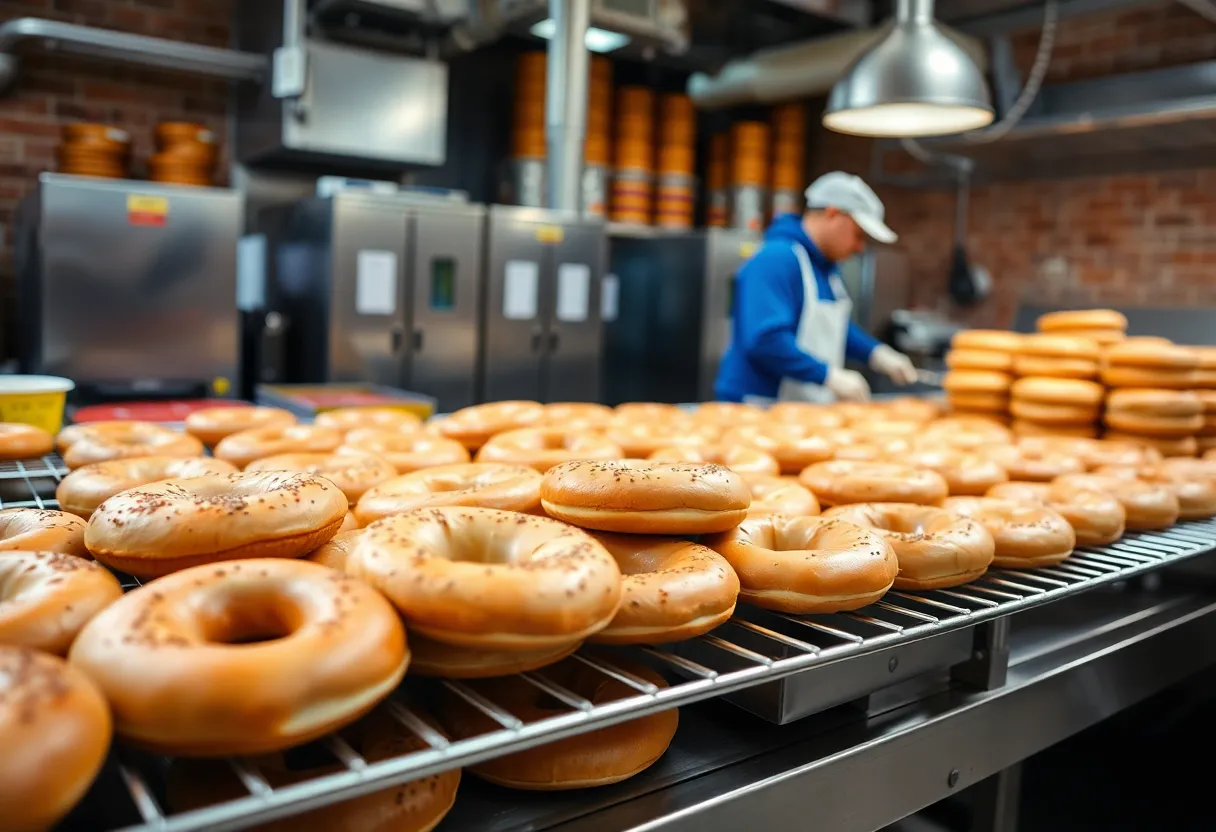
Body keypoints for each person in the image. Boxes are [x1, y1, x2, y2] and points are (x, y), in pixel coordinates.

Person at [714, 171, 918, 404]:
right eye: (858, 234)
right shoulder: (777, 259)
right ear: (832, 214)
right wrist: (828, 375)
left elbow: (832, 330)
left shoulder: (824, 268)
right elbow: (765, 339)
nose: (859, 247)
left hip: (799, 406)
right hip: (760, 406)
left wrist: (876, 353)